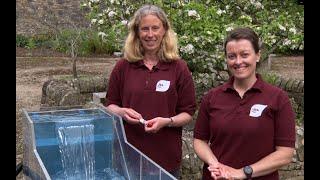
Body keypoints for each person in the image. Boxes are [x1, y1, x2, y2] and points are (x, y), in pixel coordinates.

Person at [105, 4, 196, 178]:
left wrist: (167, 121)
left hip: (165, 158)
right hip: (128, 156)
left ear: (164, 31)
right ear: (137, 33)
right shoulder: (123, 67)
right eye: (144, 29)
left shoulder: (179, 68)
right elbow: (110, 105)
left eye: (155, 28)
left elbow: (188, 112)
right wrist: (122, 112)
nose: (150, 34)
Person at [193, 27, 296, 180]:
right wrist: (215, 164)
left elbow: (285, 153)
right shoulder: (212, 97)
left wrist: (242, 172)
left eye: (245, 55)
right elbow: (199, 140)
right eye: (232, 56)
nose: (238, 61)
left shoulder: (278, 98)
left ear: (258, 55)